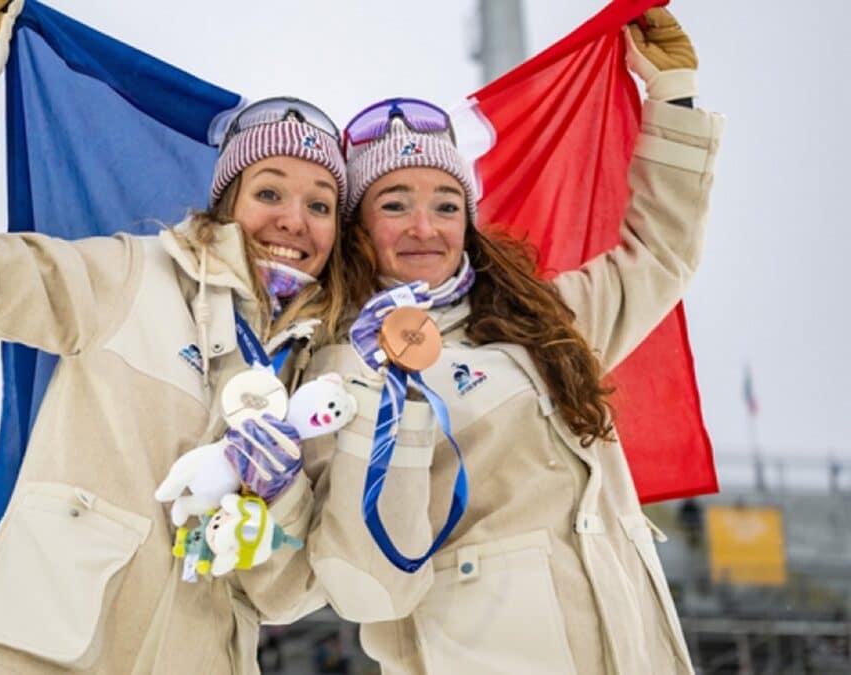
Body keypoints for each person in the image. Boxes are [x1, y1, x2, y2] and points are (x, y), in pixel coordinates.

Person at [0, 1, 347, 671]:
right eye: (269, 193)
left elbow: (285, 596)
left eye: (320, 204)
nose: (293, 220)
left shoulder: (320, 375)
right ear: (227, 202)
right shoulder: (129, 276)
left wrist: (281, 496)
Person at [303, 9, 722, 674]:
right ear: (356, 229)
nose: (424, 227)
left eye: (446, 205)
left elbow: (659, 253)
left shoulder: (546, 319)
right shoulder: (339, 367)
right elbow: (367, 578)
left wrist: (673, 96)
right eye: (394, 204)